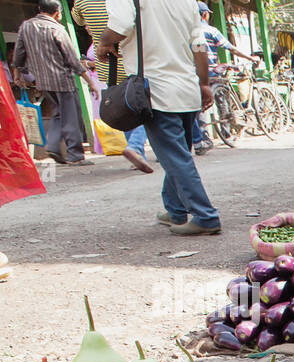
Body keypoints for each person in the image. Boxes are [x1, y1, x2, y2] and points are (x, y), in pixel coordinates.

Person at [100, 0, 223, 235]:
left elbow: (121, 24)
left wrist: (104, 42)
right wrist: (204, 83)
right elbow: (199, 45)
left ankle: (205, 216)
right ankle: (176, 210)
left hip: (156, 91)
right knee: (177, 155)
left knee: (175, 157)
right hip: (186, 88)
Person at [13, 0, 101, 166]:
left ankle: (53, 145)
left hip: (43, 82)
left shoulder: (26, 26)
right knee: (71, 118)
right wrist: (89, 81)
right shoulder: (57, 29)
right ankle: (75, 155)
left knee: (58, 114)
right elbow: (72, 60)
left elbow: (19, 53)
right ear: (57, 13)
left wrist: (18, 73)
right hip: (63, 81)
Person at [71, 0, 152, 172]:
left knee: (122, 107)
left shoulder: (81, 3)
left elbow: (78, 20)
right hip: (134, 60)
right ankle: (136, 147)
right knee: (146, 105)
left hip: (107, 64)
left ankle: (137, 152)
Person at [194, 1, 254, 155]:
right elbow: (230, 48)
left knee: (194, 108)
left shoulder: (187, 31)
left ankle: (200, 137)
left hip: (192, 74)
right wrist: (250, 58)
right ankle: (225, 130)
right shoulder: (210, 31)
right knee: (221, 99)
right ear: (205, 15)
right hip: (209, 73)